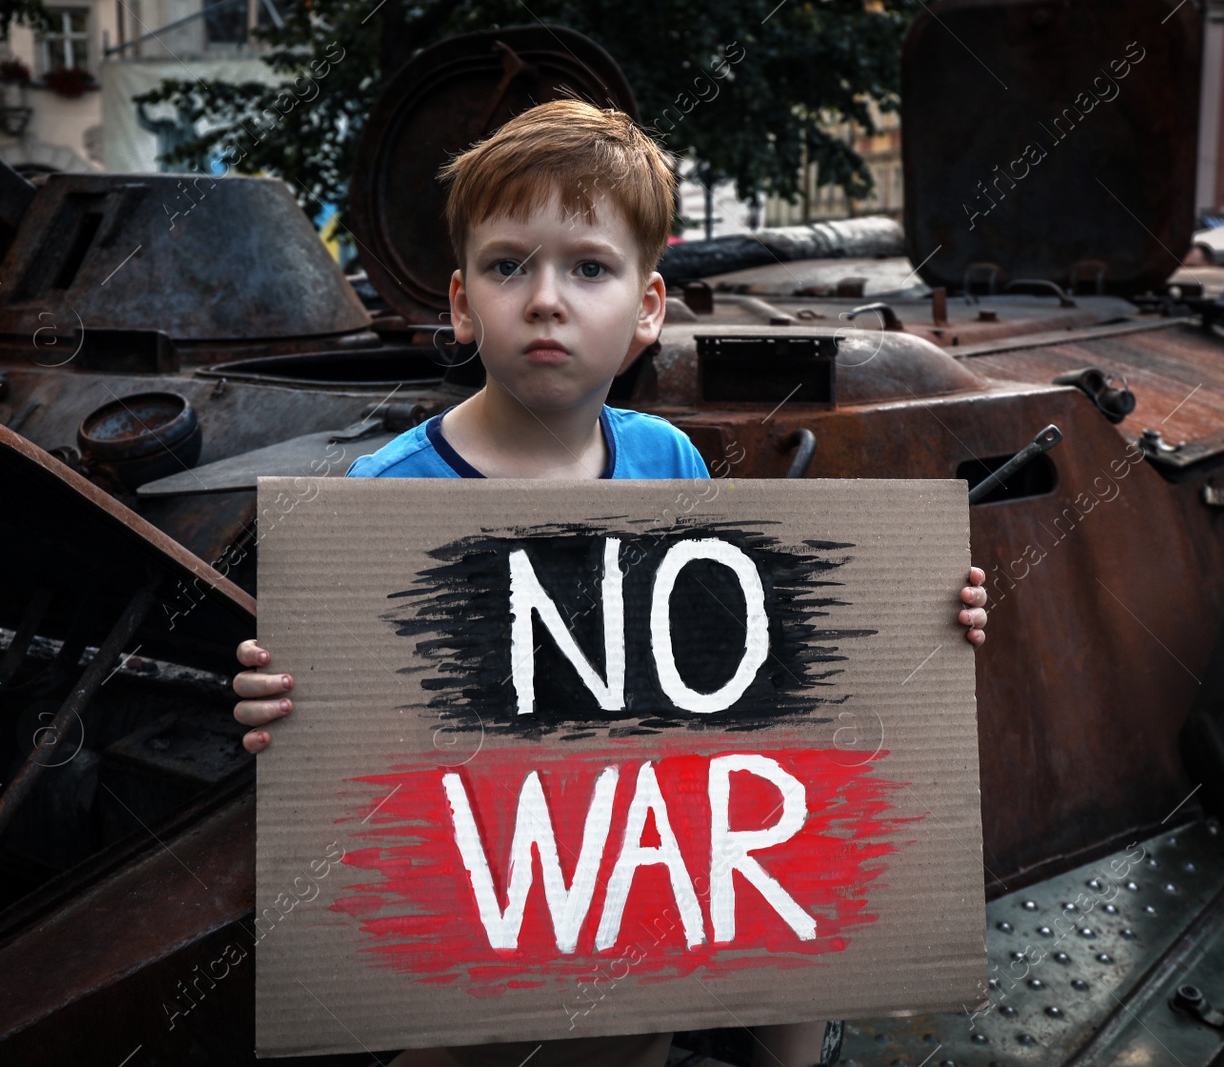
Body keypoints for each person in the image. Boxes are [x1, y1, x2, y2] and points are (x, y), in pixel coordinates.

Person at [232, 99, 989, 1067]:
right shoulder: (384, 495)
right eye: (509, 266)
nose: (546, 298)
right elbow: (335, 709)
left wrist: (920, 616)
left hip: (635, 856)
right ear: (463, 303)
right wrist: (273, 697)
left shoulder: (667, 459)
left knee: (765, 1010)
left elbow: (730, 652)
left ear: (646, 310)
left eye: (587, 267)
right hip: (488, 878)